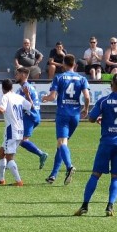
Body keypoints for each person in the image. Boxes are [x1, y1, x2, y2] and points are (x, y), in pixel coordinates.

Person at [77, 73, 117, 217]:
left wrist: (103, 119)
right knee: (115, 177)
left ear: (111, 85)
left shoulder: (104, 101)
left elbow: (91, 119)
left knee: (95, 174)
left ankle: (84, 205)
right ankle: (110, 206)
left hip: (107, 142)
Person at [41, 54, 90, 185]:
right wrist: (85, 109)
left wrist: (45, 98)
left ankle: (69, 166)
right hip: (75, 115)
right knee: (62, 145)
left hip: (63, 114)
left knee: (62, 143)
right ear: (74, 64)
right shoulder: (82, 78)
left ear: (63, 64)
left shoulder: (59, 77)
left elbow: (52, 97)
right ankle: (53, 175)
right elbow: (87, 96)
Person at [0, 79, 33, 186]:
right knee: (1, 152)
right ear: (12, 87)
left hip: (11, 130)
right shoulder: (18, 97)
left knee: (9, 157)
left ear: (2, 88)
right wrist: (27, 94)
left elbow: (2, 110)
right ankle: (0, 179)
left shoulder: (5, 97)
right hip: (20, 130)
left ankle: (19, 181)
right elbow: (30, 105)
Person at [15, 67, 49, 169]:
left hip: (30, 116)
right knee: (17, 138)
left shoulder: (25, 88)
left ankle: (41, 154)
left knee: (22, 140)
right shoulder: (26, 87)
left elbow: (31, 105)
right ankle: (7, 160)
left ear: (23, 75)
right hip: (33, 116)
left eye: (17, 74)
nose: (15, 76)